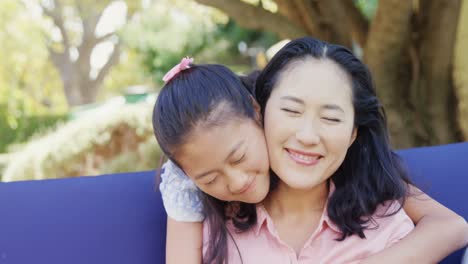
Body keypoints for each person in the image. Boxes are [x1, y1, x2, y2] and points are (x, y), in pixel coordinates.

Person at [153, 40, 468, 263]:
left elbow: (451, 226)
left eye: (331, 118)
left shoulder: (384, 216)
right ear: (261, 109)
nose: (307, 136)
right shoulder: (209, 222)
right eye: (291, 111)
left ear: (353, 132)